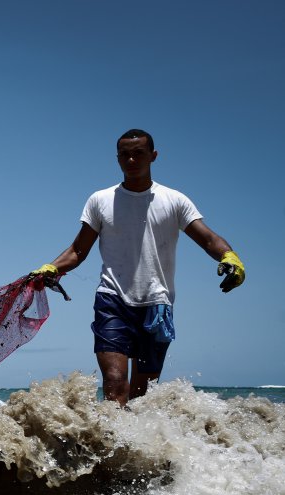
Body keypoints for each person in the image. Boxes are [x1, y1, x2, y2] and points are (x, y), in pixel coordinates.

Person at [31, 129, 244, 405]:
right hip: (112, 300)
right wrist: (51, 268)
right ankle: (109, 445)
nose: (131, 160)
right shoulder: (101, 200)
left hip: (157, 305)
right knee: (115, 384)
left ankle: (132, 448)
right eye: (125, 155)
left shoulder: (174, 200)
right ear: (117, 158)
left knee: (141, 398)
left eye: (138, 154)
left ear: (153, 156)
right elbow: (77, 250)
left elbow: (209, 238)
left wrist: (230, 257)